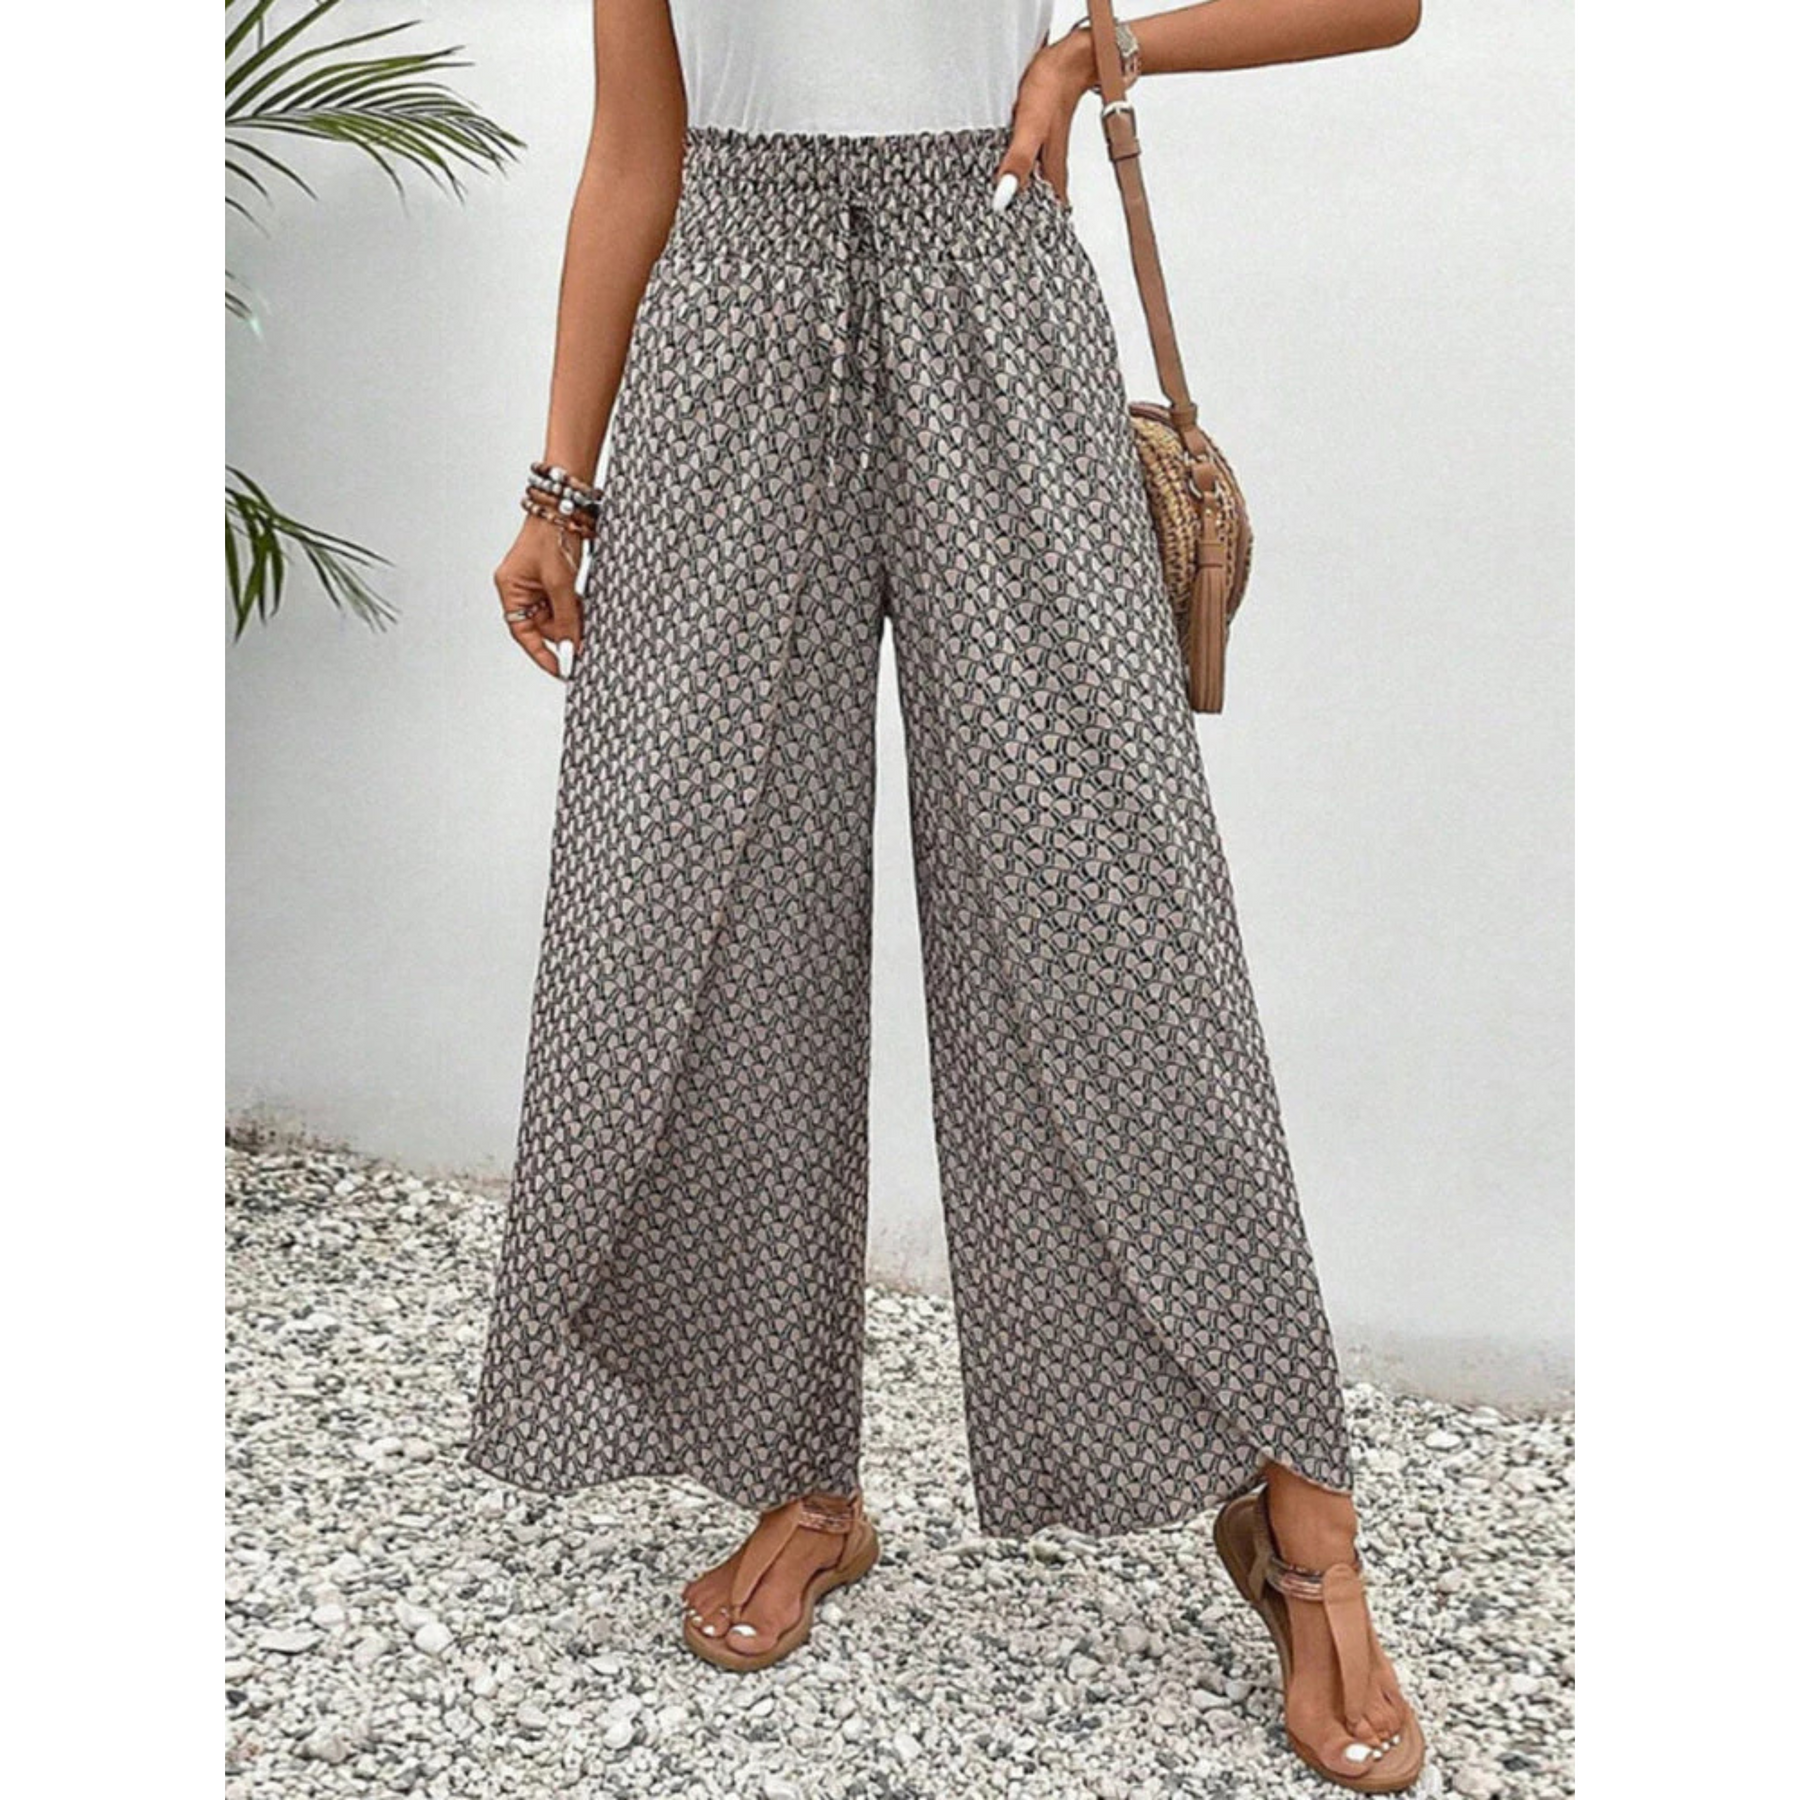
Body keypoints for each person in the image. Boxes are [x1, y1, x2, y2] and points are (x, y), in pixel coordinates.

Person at [470, 2, 1426, 1789]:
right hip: (726, 327)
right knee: (710, 910)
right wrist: (561, 485)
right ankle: (797, 1477)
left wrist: (1093, 57)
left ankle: (1300, 1506)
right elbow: (633, 151)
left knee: (1117, 923)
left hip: (992, 293)